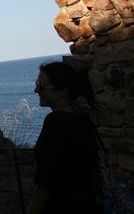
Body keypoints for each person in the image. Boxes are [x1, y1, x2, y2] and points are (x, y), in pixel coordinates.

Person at [28, 61, 102, 214]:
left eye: (41, 86)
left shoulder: (56, 122)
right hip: (86, 203)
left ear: (62, 91)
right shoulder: (83, 117)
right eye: (37, 84)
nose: (36, 90)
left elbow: (45, 182)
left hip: (62, 205)